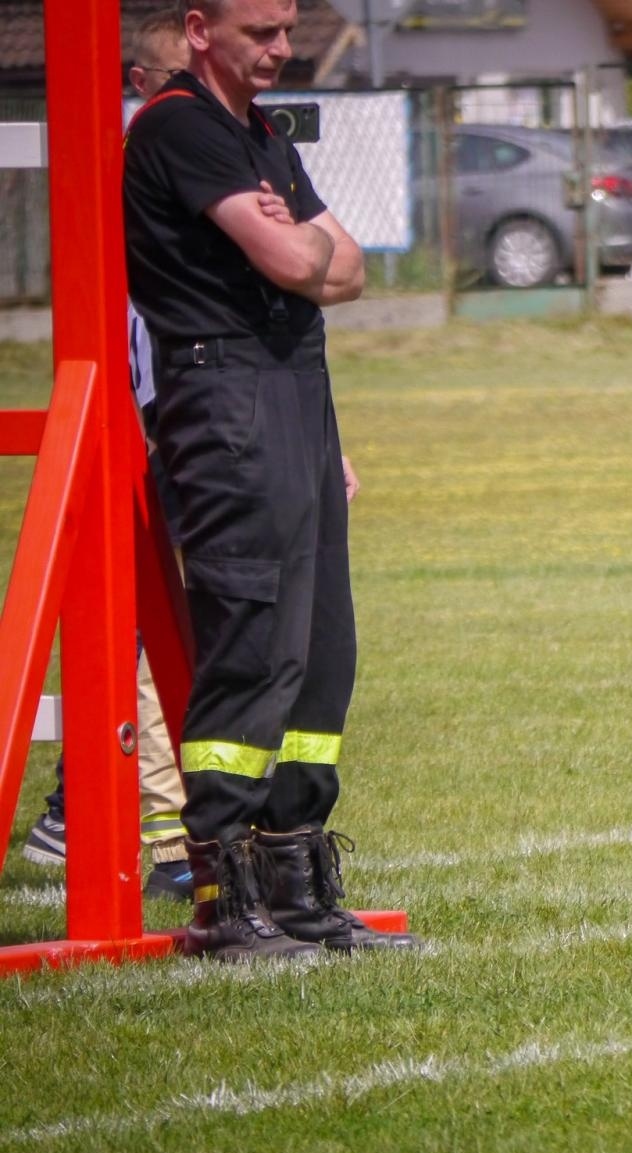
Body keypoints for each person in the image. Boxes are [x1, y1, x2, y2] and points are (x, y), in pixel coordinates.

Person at [123, 0, 412, 959]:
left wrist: (304, 253)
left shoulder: (262, 135)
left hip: (297, 387)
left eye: (288, 30)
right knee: (252, 644)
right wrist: (298, 250)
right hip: (227, 394)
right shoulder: (179, 126)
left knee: (320, 649)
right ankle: (224, 892)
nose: (282, 49)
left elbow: (348, 272)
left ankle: (298, 883)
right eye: (262, 32)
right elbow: (299, 257)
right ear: (201, 28)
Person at [22, 11, 196, 902]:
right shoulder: (142, 152)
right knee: (147, 620)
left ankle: (75, 805)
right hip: (143, 411)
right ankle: (139, 828)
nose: (186, 95)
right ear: (138, 83)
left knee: (149, 620)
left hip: (169, 406)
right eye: (172, 80)